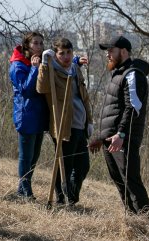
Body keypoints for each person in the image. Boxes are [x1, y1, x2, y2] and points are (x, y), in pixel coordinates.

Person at [88, 35, 149, 216]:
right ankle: (132, 220)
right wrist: (101, 137)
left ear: (123, 51)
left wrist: (121, 134)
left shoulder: (133, 75)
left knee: (131, 180)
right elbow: (113, 111)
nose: (108, 54)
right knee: (119, 180)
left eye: (111, 50)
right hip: (111, 139)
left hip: (124, 138)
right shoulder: (118, 73)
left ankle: (146, 221)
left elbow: (134, 107)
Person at [36, 38, 92, 206]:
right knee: (64, 165)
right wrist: (45, 64)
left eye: (69, 52)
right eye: (61, 53)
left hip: (80, 123)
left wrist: (89, 120)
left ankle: (71, 196)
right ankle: (61, 199)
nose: (66, 56)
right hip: (64, 124)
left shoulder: (75, 69)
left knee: (83, 165)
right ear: (56, 54)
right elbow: (41, 88)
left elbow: (84, 96)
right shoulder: (51, 70)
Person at [10, 31, 50, 200]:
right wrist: (34, 69)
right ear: (27, 45)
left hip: (39, 116)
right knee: (26, 156)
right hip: (26, 115)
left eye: (41, 43)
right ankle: (27, 192)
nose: (39, 47)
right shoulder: (18, 65)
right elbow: (25, 90)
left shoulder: (41, 61)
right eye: (35, 43)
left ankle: (21, 191)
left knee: (34, 156)